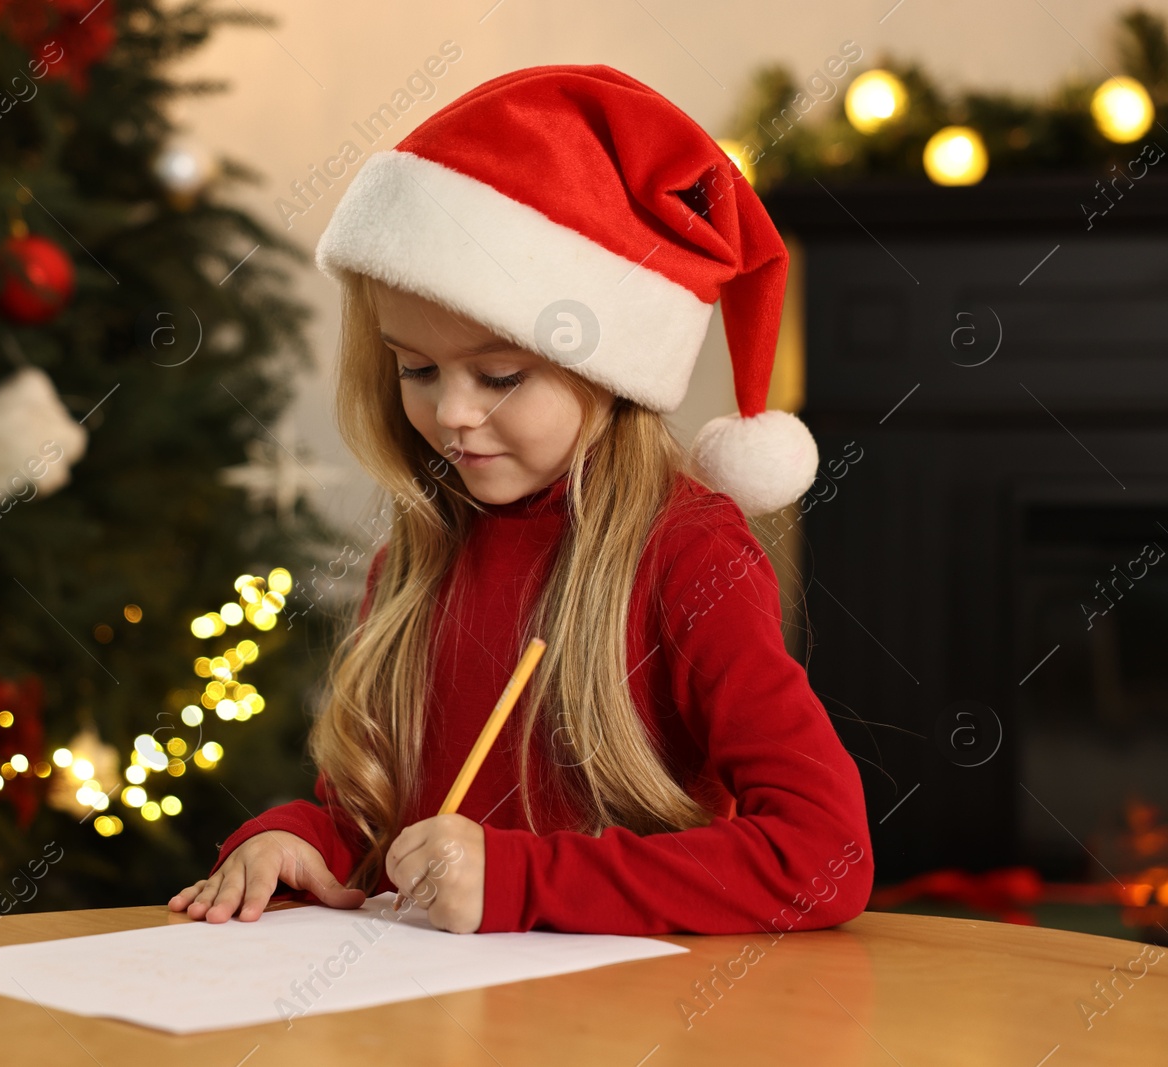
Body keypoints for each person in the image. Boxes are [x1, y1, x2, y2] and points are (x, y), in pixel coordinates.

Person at [168, 63, 872, 935]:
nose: (451, 414)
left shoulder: (691, 557)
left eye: (499, 374)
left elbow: (824, 856)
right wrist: (296, 837)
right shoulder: (415, 559)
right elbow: (382, 830)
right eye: (415, 368)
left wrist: (525, 878)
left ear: (608, 369)